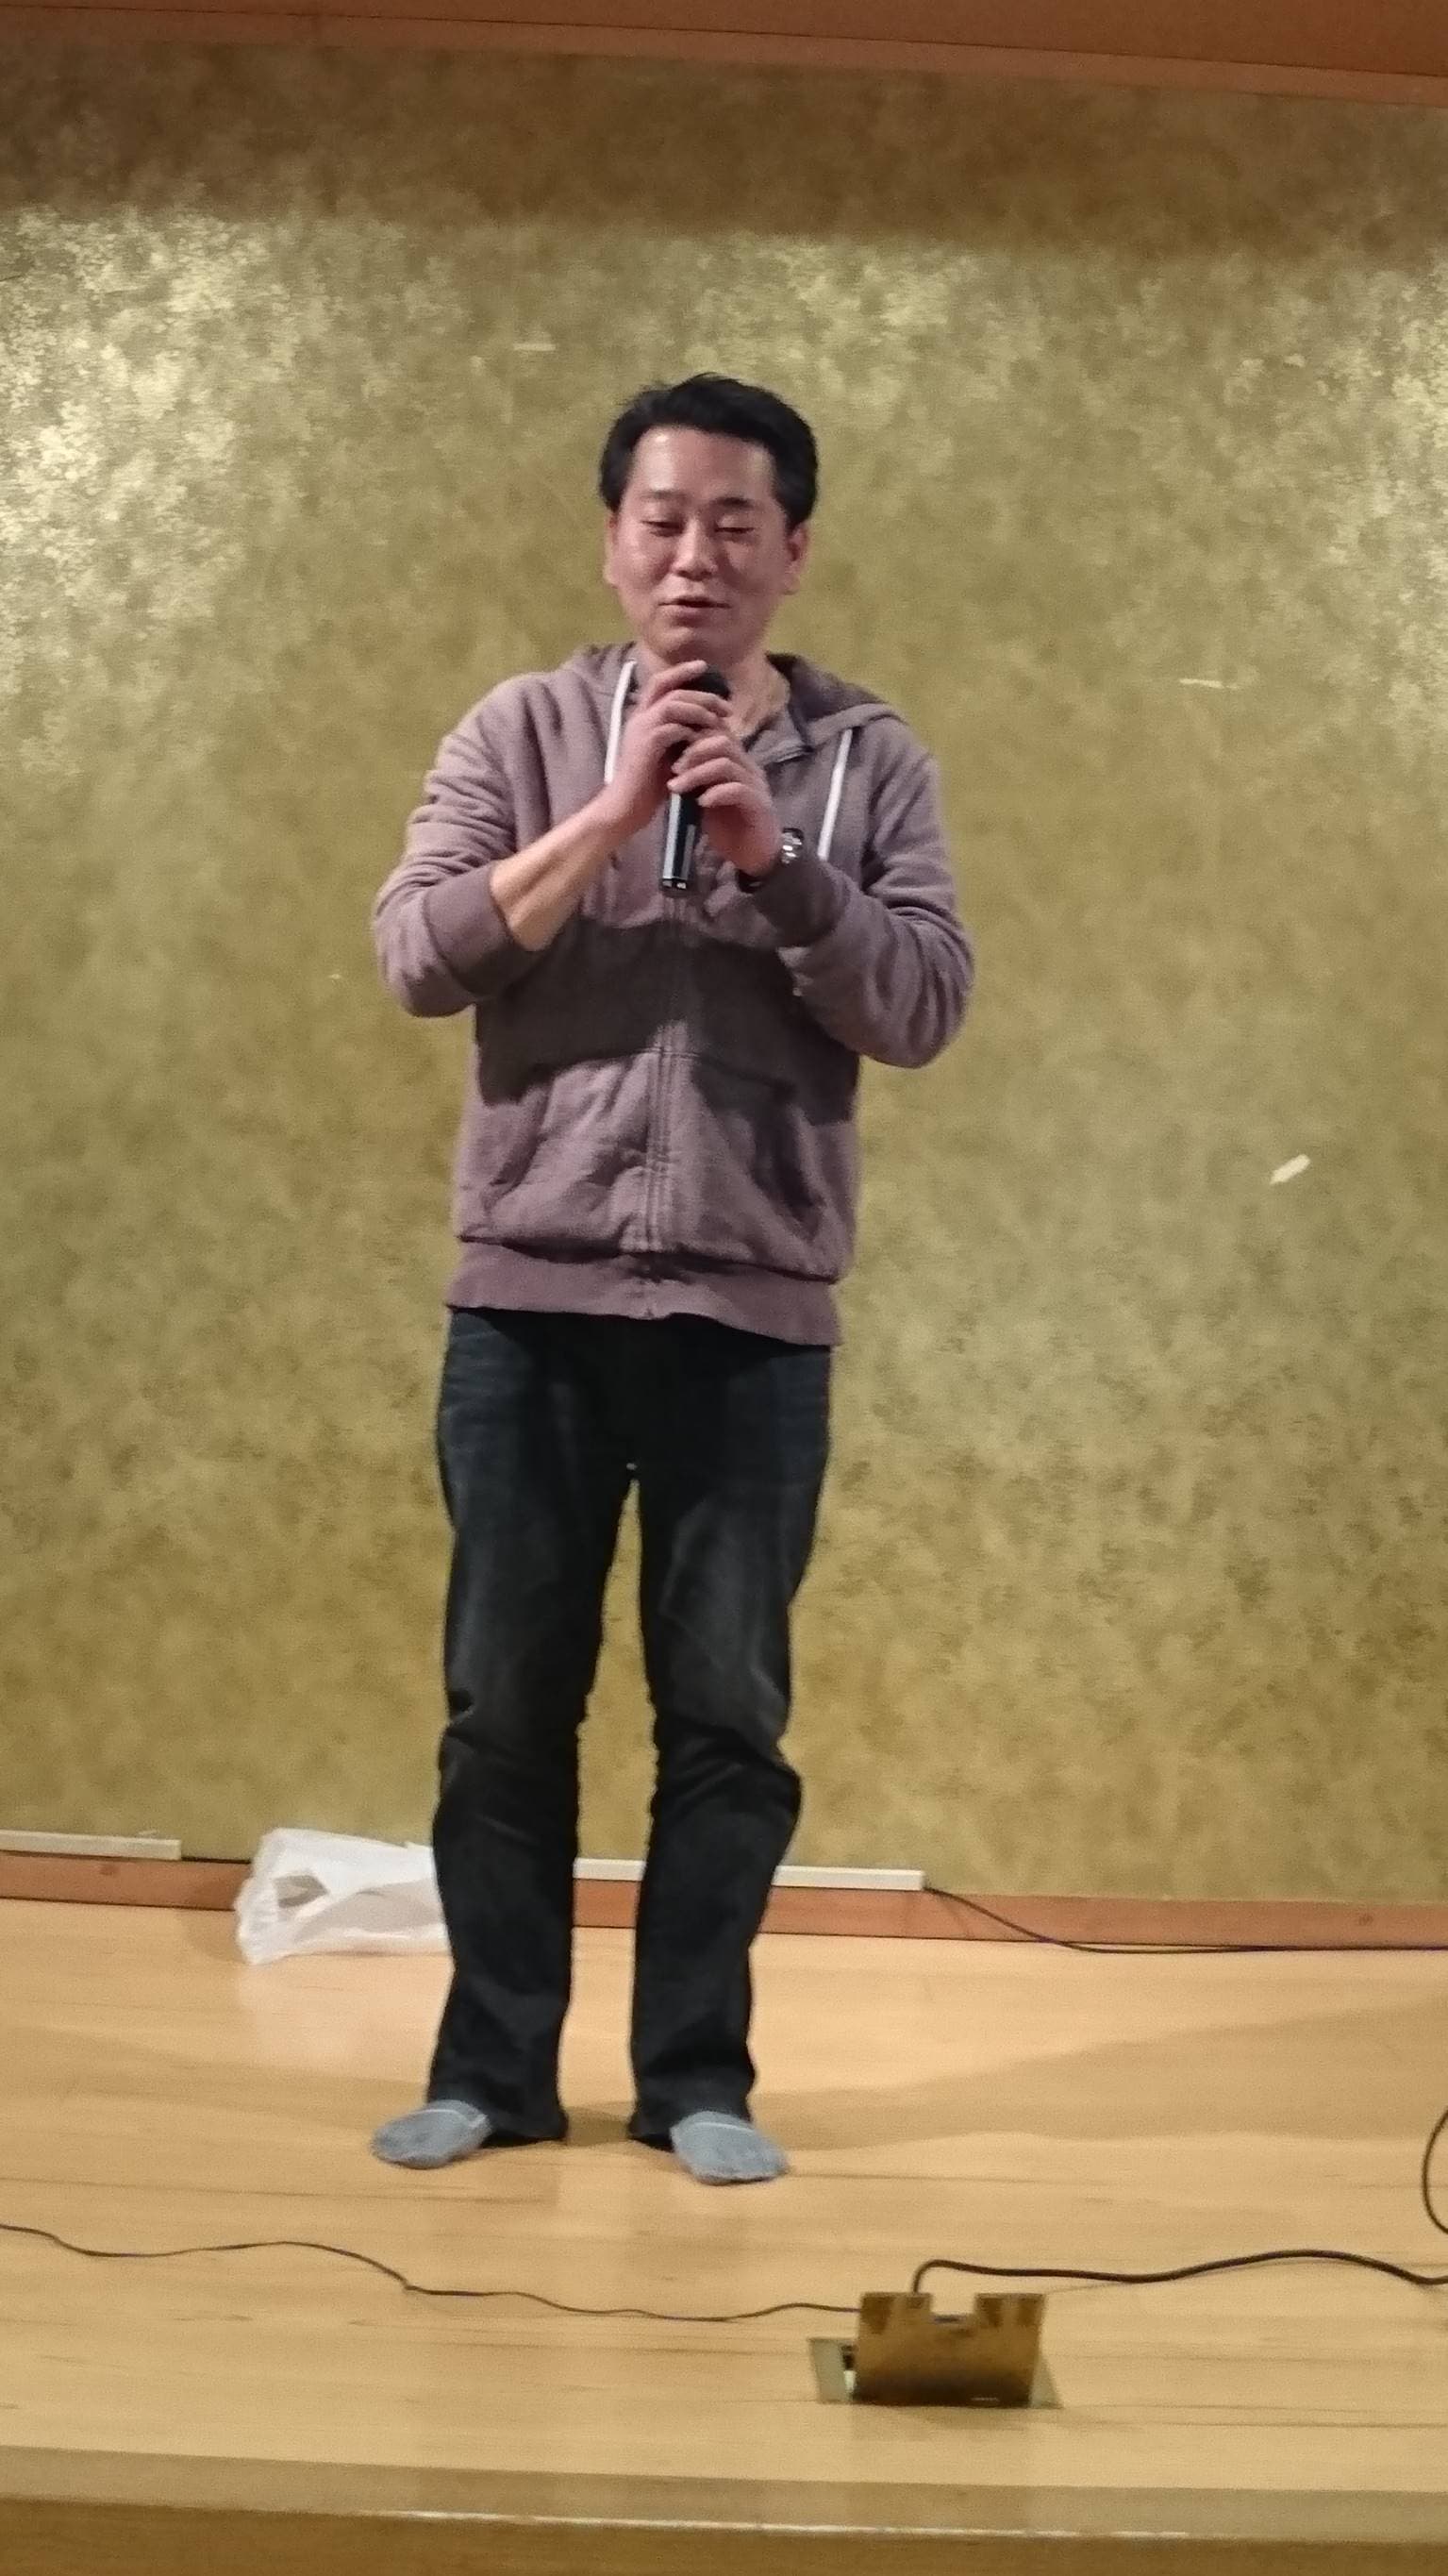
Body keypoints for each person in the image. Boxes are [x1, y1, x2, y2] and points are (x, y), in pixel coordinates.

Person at [370, 374, 972, 2185]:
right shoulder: (523, 727)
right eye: (661, 518)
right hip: (528, 1310)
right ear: (615, 543)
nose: (694, 553)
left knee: (727, 1719)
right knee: (503, 1708)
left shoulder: (870, 760)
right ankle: (493, 2070)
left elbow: (923, 1004)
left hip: (752, 1321)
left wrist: (778, 865)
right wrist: (615, 809)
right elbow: (421, 956)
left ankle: (698, 2076)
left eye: (733, 521)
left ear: (794, 550)